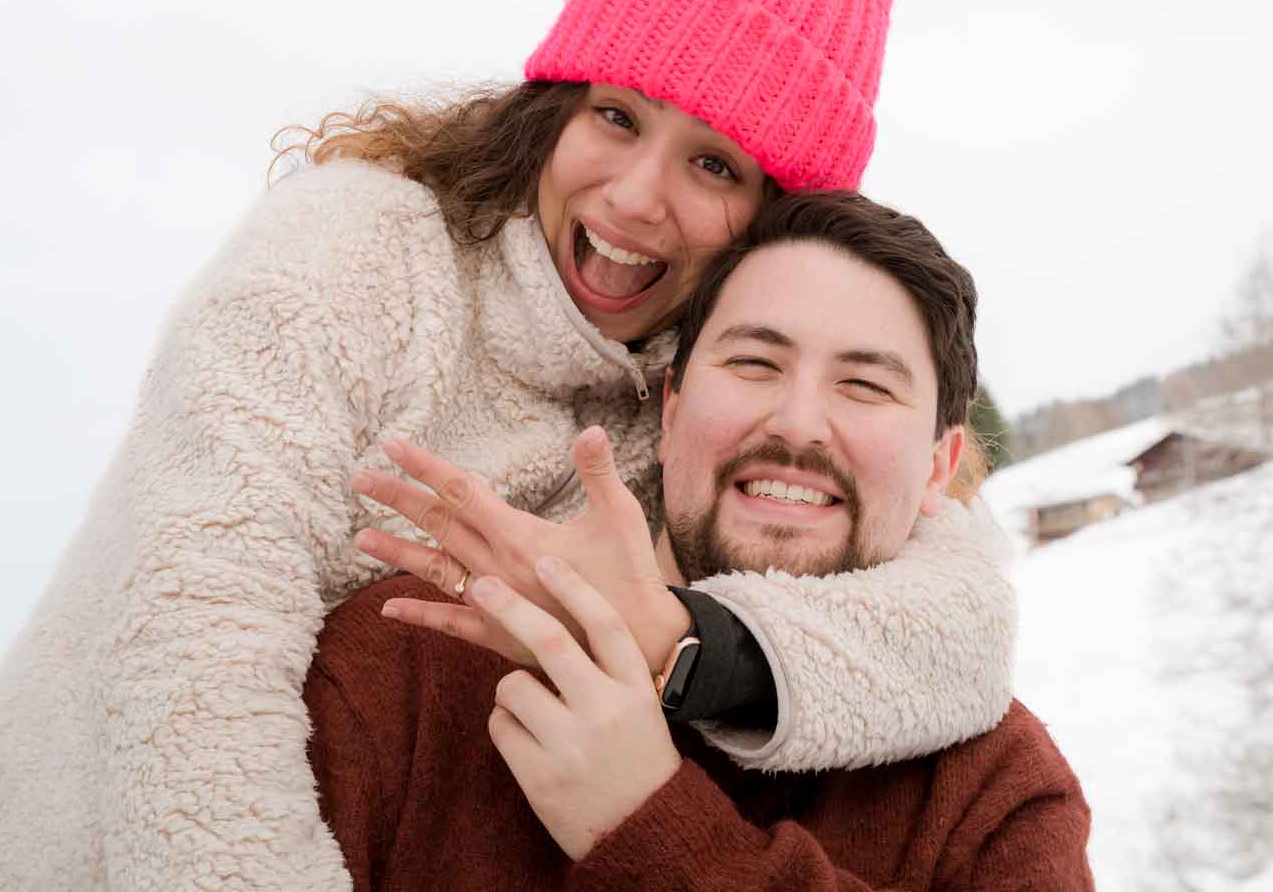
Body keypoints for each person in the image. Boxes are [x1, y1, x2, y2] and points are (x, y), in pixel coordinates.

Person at [0, 0, 1013, 892]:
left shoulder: (699, 396)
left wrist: (677, 639)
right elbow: (189, 646)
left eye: (712, 164)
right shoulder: (356, 256)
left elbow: (961, 627)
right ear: (553, 107)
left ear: (771, 218)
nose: (632, 197)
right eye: (615, 116)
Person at [306, 189, 1093, 890]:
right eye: (754, 363)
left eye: (864, 385)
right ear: (672, 408)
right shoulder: (407, 663)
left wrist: (654, 832)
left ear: (938, 466)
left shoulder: (998, 795)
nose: (796, 423)